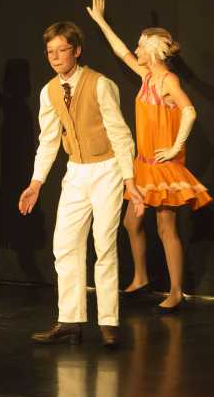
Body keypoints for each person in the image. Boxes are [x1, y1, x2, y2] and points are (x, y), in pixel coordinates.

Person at [18, 22, 144, 347]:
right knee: (65, 244)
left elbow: (120, 133)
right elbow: (48, 140)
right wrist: (36, 183)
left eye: (62, 50)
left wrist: (129, 180)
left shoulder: (100, 84)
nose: (55, 57)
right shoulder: (49, 91)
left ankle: (108, 322)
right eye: (50, 51)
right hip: (75, 171)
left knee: (104, 244)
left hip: (107, 168)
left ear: (76, 51)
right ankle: (70, 320)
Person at [87, 0, 213, 312]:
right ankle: (141, 277)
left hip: (163, 164)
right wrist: (101, 21)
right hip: (143, 163)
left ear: (153, 51)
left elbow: (190, 111)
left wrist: (174, 147)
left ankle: (176, 291)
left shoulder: (168, 80)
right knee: (132, 222)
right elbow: (121, 52)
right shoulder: (147, 77)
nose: (137, 51)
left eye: (141, 47)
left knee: (165, 228)